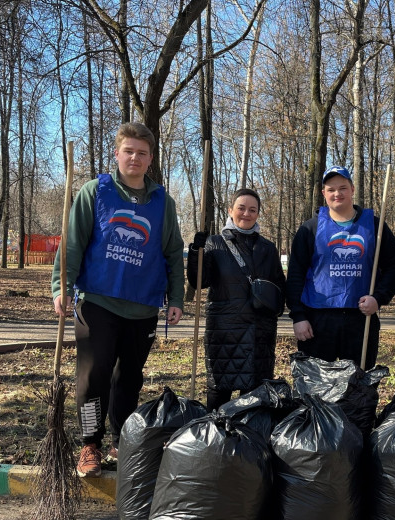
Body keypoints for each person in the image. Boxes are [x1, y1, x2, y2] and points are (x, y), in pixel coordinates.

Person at [51, 122, 185, 478]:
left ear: (150, 158)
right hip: (98, 302)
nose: (135, 158)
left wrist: (177, 297)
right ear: (117, 153)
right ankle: (90, 443)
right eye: (129, 151)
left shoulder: (162, 202)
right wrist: (60, 285)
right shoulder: (96, 191)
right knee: (94, 374)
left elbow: (173, 252)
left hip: (142, 306)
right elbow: (73, 243)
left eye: (142, 153)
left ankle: (121, 439)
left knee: (129, 377)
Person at [286, 165, 395, 370]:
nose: (337, 193)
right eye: (331, 189)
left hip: (361, 319)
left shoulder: (374, 226)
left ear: (352, 190)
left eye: (342, 188)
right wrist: (298, 316)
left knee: (359, 387)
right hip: (317, 321)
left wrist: (379, 298)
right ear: (324, 193)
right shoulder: (309, 229)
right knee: (317, 388)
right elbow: (295, 274)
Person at [187, 188, 286, 411]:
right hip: (224, 333)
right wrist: (196, 252)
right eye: (241, 208)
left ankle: (248, 442)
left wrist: (272, 312)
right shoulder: (214, 243)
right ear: (231, 210)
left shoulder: (268, 249)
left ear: (258, 214)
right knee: (220, 389)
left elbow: (279, 287)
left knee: (254, 395)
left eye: (253, 210)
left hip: (259, 332)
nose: (246, 214)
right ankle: (215, 441)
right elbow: (199, 281)